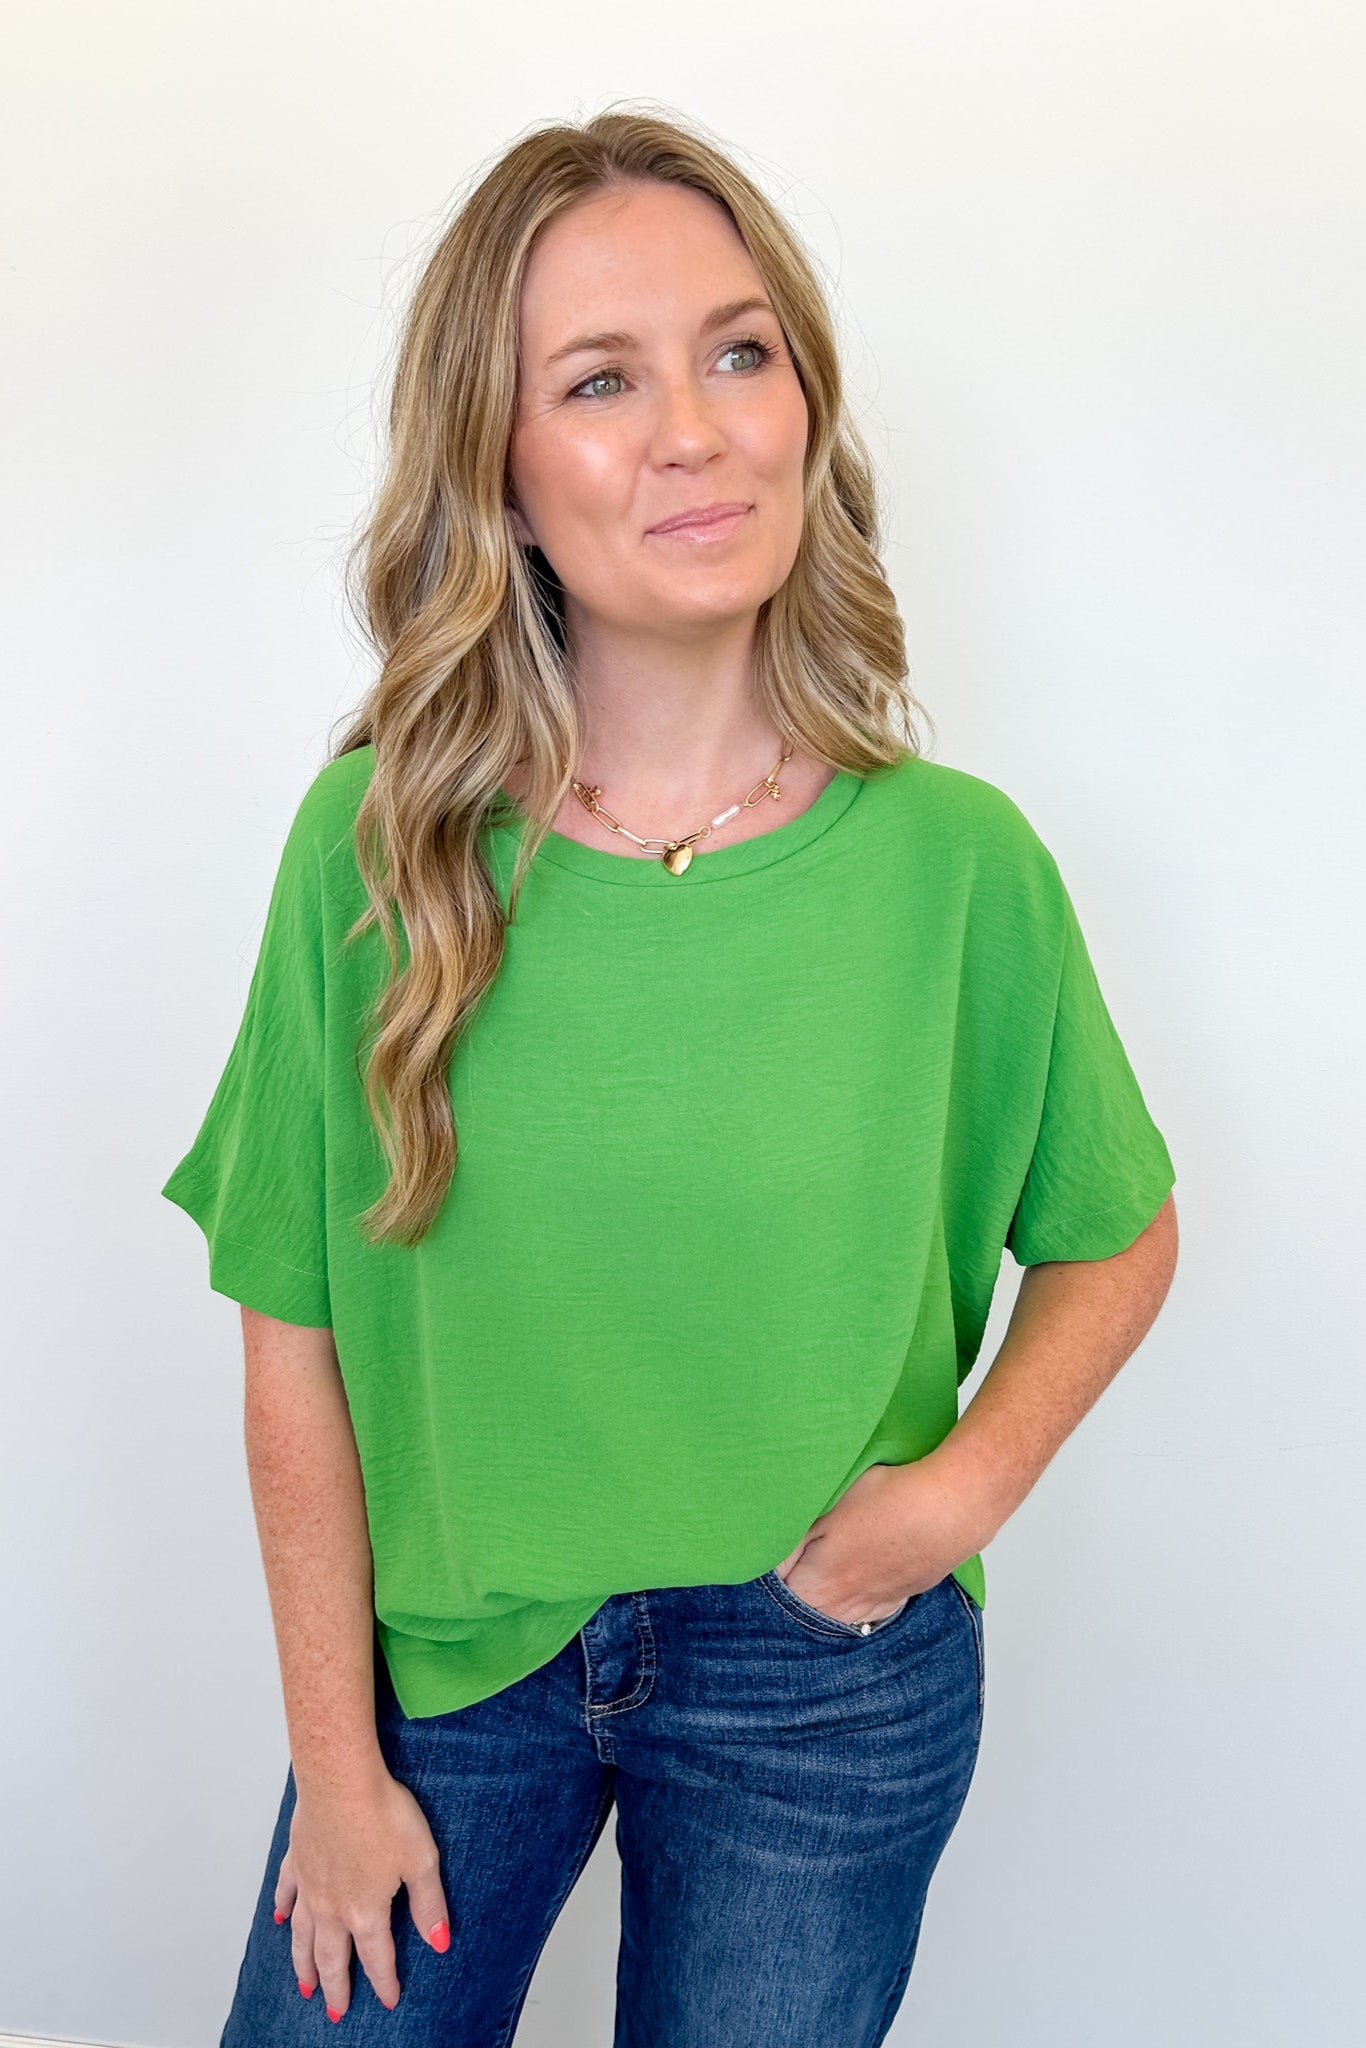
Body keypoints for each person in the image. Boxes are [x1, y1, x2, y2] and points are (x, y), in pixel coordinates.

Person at [162, 107, 1179, 2048]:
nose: (695, 428)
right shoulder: (375, 852)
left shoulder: (951, 866)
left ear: (804, 399)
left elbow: (1113, 1238)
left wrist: (948, 1496)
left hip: (820, 1676)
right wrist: (338, 1766)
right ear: (507, 475)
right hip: (446, 1673)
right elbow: (285, 1327)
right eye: (601, 381)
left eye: (738, 350)